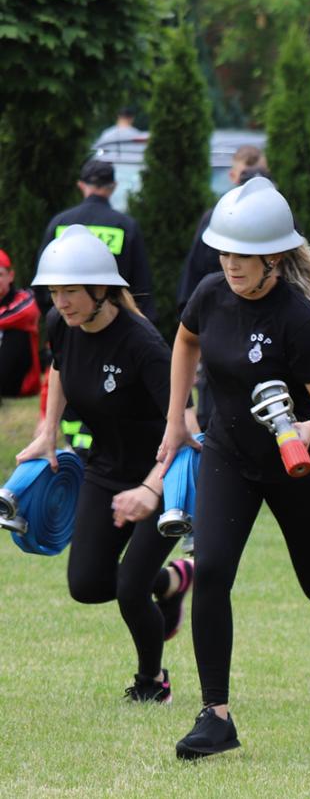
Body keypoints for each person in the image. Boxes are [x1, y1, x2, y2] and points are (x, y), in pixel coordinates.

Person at [159, 177, 310, 760]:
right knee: (209, 570)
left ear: (275, 257)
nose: (230, 263)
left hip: (298, 467)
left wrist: (304, 429)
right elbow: (185, 342)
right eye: (225, 250)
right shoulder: (211, 294)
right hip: (228, 455)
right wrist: (177, 417)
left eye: (243, 253)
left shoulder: (297, 319)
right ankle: (216, 717)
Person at [15, 227, 189, 705]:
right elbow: (59, 368)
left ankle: (153, 683)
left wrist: (152, 488)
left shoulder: (144, 346)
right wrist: (48, 430)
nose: (61, 301)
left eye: (70, 290)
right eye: (54, 291)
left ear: (102, 290)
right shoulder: (60, 324)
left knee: (131, 589)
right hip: (105, 468)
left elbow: (187, 426)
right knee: (88, 584)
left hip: (164, 474)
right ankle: (173, 581)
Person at [40, 158, 155, 319]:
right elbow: (141, 284)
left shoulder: (60, 222)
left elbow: (44, 278)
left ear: (81, 185)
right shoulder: (126, 225)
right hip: (114, 322)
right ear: (113, 186)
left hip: (66, 320)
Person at [179, 149, 269, 317]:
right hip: (220, 312)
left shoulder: (280, 221)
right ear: (234, 177)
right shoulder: (216, 218)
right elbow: (194, 270)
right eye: (246, 177)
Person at [0, 249, 43, 397]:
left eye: (0, 275)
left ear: (10, 276)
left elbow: (25, 313)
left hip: (20, 384)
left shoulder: (26, 298)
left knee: (16, 331)